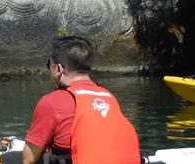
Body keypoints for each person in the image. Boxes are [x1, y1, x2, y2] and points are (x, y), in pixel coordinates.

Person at [20, 36, 141, 164]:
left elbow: (28, 160)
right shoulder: (109, 97)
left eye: (49, 64)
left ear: (58, 69)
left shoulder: (51, 102)